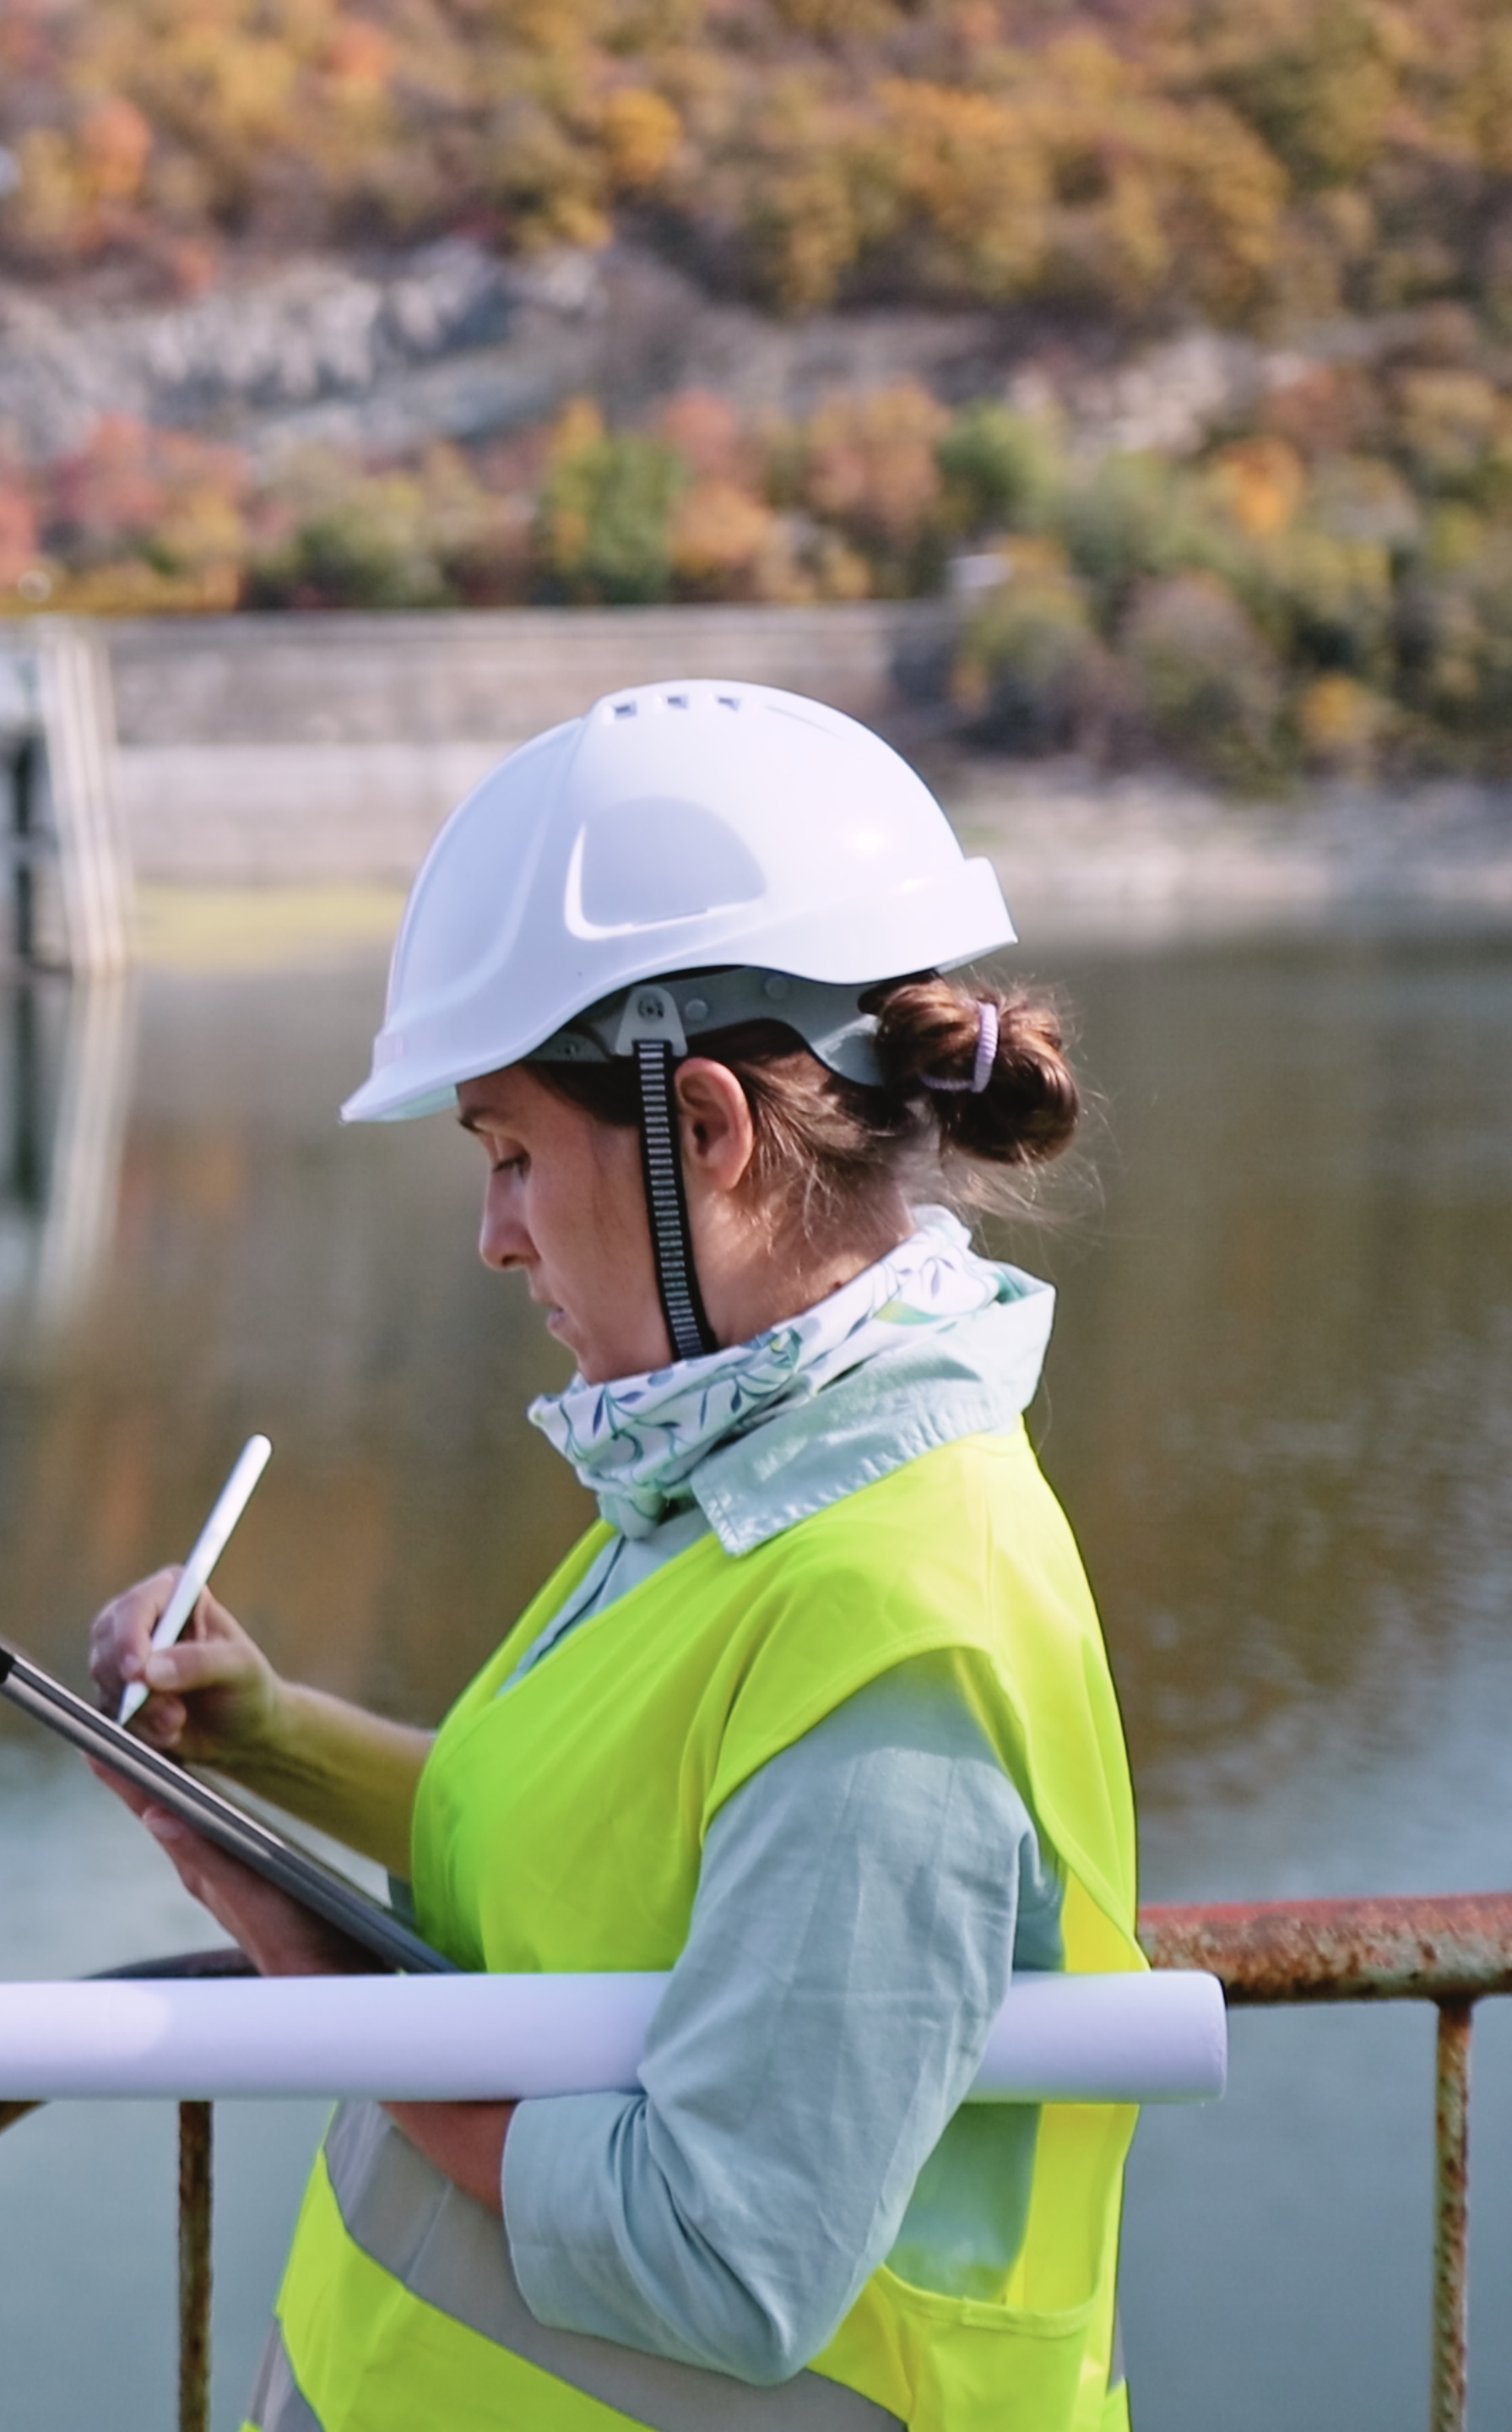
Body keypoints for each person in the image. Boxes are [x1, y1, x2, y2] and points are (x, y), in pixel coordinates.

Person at [87, 680, 1136, 2430]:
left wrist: (307, 1961)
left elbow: (722, 2257)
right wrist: (261, 1735)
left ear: (703, 1135)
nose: (493, 1238)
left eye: (508, 1155)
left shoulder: (898, 1619)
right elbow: (585, 1852)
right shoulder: (746, 1476)